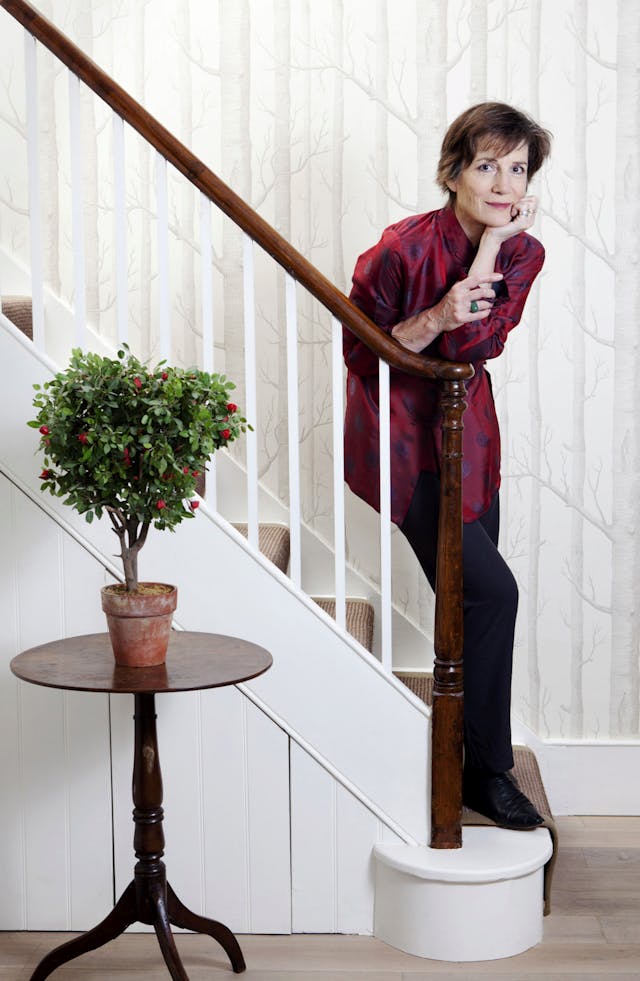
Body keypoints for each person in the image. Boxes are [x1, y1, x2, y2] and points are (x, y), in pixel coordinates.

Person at [343, 102, 552, 830]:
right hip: (404, 446)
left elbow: (478, 347)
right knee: (492, 595)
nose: (503, 182)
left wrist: (493, 247)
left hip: (473, 447)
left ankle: (458, 758)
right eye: (487, 164)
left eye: (518, 168)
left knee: (470, 603)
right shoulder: (398, 250)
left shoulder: (523, 253)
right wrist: (435, 315)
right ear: (454, 171)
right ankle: (487, 772)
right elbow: (361, 354)